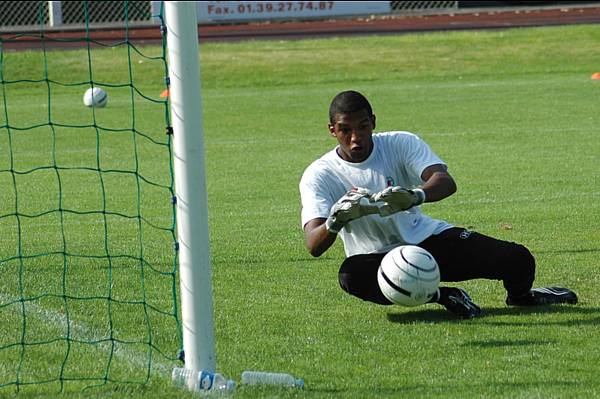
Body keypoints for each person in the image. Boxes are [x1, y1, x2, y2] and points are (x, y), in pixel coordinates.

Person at [299, 90, 577, 319]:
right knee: (349, 276)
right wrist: (336, 220)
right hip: (377, 261)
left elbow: (444, 180)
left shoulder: (399, 142)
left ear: (373, 121)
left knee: (518, 259)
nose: (356, 138)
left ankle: (522, 297)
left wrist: (415, 195)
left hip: (427, 241)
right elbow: (314, 244)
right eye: (345, 130)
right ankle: (442, 295)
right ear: (332, 130)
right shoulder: (319, 173)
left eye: (362, 127)